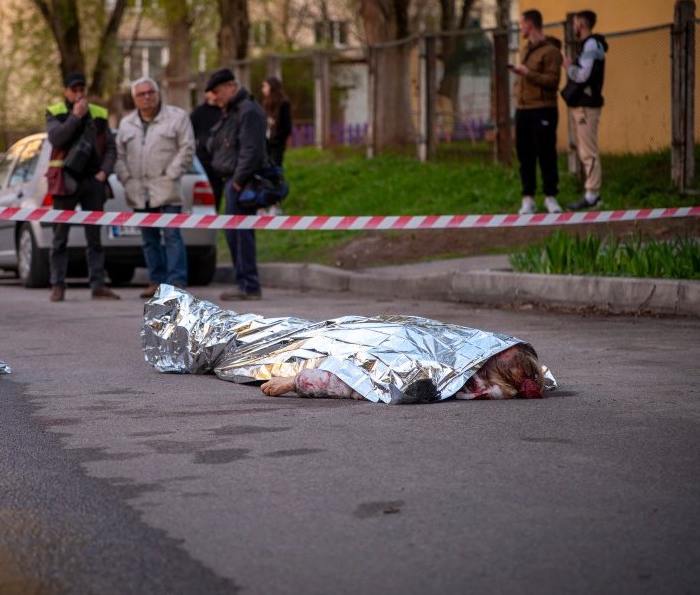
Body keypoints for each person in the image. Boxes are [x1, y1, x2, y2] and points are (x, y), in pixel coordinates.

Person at [142, 284, 551, 404]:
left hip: (333, 340)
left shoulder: (452, 378)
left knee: (254, 342)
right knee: (270, 331)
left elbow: (362, 375)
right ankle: (188, 320)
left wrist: (299, 382)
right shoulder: (483, 351)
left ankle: (192, 326)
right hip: (349, 329)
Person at [115, 77, 195, 300]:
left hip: (167, 187)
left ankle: (176, 283)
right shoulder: (126, 124)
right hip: (139, 190)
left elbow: (187, 148)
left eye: (151, 92)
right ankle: (156, 281)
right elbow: (118, 156)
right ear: (134, 98)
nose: (147, 97)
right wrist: (126, 178)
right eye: (141, 94)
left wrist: (171, 174)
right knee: (148, 238)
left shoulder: (176, 117)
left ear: (158, 93)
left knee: (172, 235)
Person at [45, 72, 120, 302]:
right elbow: (56, 139)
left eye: (82, 90)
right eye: (74, 90)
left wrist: (103, 173)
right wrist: (75, 118)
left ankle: (97, 285)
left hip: (92, 181)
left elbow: (110, 147)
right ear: (66, 92)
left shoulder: (98, 113)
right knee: (60, 237)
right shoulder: (55, 112)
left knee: (95, 237)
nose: (78, 94)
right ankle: (58, 285)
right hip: (64, 181)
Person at [205, 68, 269, 301]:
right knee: (234, 234)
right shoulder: (233, 110)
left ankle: (249, 285)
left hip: (240, 181)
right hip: (232, 180)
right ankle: (243, 282)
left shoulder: (247, 111)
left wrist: (239, 181)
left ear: (231, 86)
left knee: (240, 234)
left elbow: (251, 149)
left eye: (218, 92)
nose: (215, 97)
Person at [511, 9, 564, 216]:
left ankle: (551, 197)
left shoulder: (550, 51)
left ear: (530, 24)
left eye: (522, 24)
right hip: (523, 109)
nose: (521, 28)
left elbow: (553, 81)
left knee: (546, 155)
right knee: (525, 156)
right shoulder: (527, 49)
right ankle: (528, 199)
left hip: (543, 110)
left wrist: (527, 73)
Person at [564, 10, 608, 211]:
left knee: (588, 151)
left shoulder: (591, 45)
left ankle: (592, 195)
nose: (573, 27)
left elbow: (583, 75)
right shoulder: (590, 45)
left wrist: (568, 68)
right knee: (585, 150)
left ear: (581, 24)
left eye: (574, 23)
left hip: (587, 107)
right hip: (584, 106)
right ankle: (591, 193)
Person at [190, 91, 224, 212]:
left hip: (220, 158)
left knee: (217, 189)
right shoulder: (198, 112)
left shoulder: (224, 111)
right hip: (203, 157)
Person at [261, 76, 292, 168]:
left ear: (271, 87)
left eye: (265, 86)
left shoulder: (283, 103)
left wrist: (276, 138)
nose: (263, 89)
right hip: (266, 142)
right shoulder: (267, 103)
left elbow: (287, 126)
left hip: (277, 143)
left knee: (275, 167)